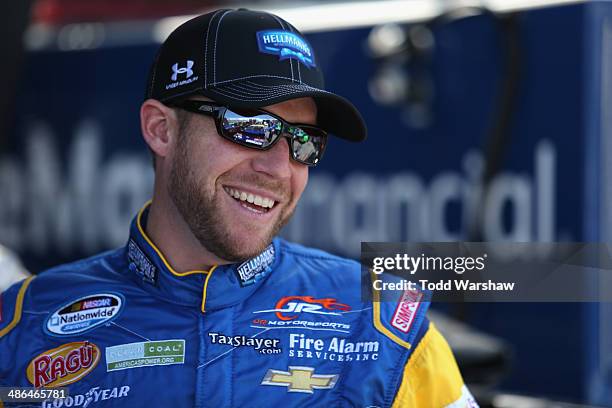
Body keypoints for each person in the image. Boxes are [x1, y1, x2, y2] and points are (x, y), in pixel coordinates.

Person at [0, 9, 477, 407]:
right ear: (161, 130)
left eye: (304, 141)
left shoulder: (382, 326)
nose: (278, 166)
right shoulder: (21, 328)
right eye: (248, 126)